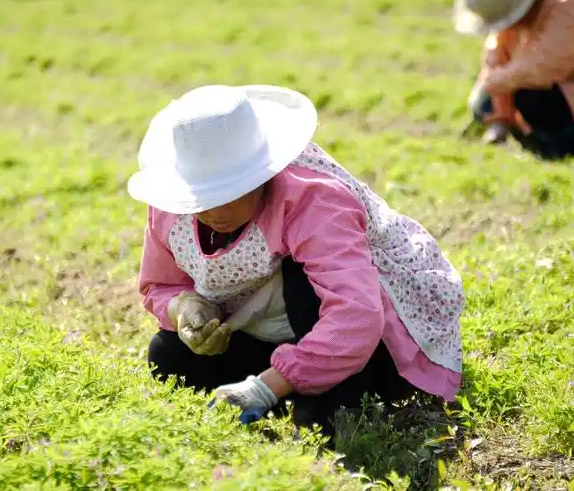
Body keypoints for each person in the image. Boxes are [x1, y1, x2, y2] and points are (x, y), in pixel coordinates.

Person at [127, 84, 464, 438]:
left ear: (262, 173)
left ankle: (329, 396)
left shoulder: (314, 201)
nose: (213, 210)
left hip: (364, 341)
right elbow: (160, 285)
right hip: (270, 330)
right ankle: (292, 383)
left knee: (301, 282)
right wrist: (184, 307)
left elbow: (357, 317)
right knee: (167, 355)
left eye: (229, 192)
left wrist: (265, 387)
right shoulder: (172, 207)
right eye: (201, 195)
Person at [455, 0, 574, 159]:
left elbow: (544, 69)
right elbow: (496, 58)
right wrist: (500, 114)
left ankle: (568, 149)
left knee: (527, 94)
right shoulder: (518, 22)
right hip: (566, 96)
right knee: (487, 102)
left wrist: (491, 83)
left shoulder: (571, 5)